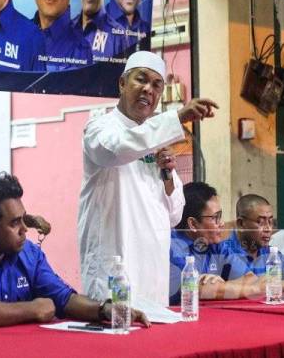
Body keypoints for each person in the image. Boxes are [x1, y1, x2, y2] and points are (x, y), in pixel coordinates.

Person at [78, 50, 218, 306]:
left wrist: (167, 174)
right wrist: (176, 118)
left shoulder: (157, 140)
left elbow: (174, 215)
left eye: (156, 85)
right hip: (114, 267)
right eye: (141, 80)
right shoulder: (100, 127)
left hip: (152, 272)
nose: (148, 90)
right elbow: (118, 149)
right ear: (122, 83)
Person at [0, 173, 150, 328]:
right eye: (15, 223)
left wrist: (105, 309)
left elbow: (63, 298)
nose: (25, 229)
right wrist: (32, 309)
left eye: (23, 219)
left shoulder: (28, 253)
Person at [169, 182, 261, 304]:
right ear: (193, 224)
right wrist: (218, 288)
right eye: (215, 218)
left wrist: (222, 284)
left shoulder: (216, 245)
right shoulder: (173, 247)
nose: (222, 223)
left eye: (220, 216)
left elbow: (251, 279)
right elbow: (197, 290)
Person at [224, 194, 284, 290]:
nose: (268, 229)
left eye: (271, 222)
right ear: (241, 224)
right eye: (261, 222)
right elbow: (252, 287)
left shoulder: (270, 253)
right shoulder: (223, 252)